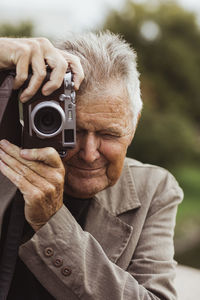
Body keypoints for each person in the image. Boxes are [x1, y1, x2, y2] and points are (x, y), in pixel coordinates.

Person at [0, 32, 183, 299]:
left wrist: (52, 222)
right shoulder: (8, 160)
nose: (88, 153)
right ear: (34, 115)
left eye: (108, 134)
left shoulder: (154, 189)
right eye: (72, 131)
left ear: (133, 126)